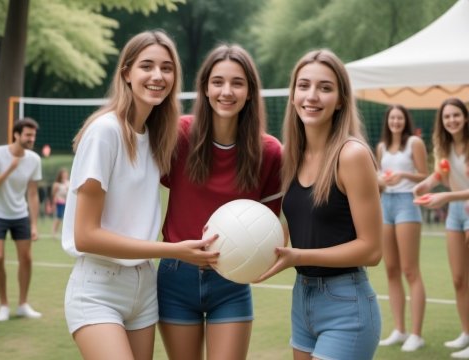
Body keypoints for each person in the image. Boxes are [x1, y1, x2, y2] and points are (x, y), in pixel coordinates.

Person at [61, 30, 219, 360]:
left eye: (167, 67)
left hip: (144, 288)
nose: (157, 76)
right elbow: (86, 235)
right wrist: (173, 250)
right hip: (99, 288)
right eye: (146, 66)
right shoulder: (105, 132)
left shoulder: (157, 137)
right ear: (126, 74)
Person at [157, 44, 282, 360]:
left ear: (250, 92)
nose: (227, 91)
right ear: (204, 88)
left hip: (232, 282)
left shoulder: (269, 152)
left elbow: (271, 230)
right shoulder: (179, 134)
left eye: (237, 83)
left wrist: (258, 260)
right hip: (175, 276)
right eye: (218, 82)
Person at [256, 49, 383, 360]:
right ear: (293, 94)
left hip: (346, 304)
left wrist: (298, 255)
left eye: (325, 88)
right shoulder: (291, 157)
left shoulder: (351, 155)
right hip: (303, 299)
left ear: (340, 99)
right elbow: (292, 226)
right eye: (303, 86)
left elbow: (372, 250)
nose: (311, 96)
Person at [413, 98, 469, 359]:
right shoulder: (444, 147)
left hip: (462, 206)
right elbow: (439, 174)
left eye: (456, 115)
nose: (452, 121)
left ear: (465, 117)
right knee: (458, 279)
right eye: (447, 117)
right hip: (456, 213)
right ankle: (466, 333)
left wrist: (446, 197)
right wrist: (423, 186)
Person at [376, 105, 428, 351]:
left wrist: (402, 176)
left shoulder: (414, 143)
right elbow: (377, 177)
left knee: (410, 270)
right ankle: (399, 329)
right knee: (391, 269)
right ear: (387, 121)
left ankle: (416, 334)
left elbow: (425, 175)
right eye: (391, 117)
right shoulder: (381, 147)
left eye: (399, 118)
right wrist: (382, 179)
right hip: (385, 204)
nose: (395, 121)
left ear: (405, 120)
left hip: (407, 203)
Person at [0, 117, 43, 321]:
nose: (31, 139)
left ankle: (22, 304)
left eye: (33, 135)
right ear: (16, 135)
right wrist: (9, 169)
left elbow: (32, 194)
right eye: (28, 135)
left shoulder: (34, 159)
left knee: (27, 258)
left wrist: (34, 224)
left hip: (20, 214)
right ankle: (3, 305)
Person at [51, 167, 69, 237]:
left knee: (65, 218)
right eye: (64, 174)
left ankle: (64, 232)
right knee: (59, 217)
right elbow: (53, 194)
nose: (65, 175)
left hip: (66, 203)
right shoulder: (57, 184)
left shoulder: (68, 182)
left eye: (66, 174)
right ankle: (54, 232)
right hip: (59, 202)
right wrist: (53, 204)